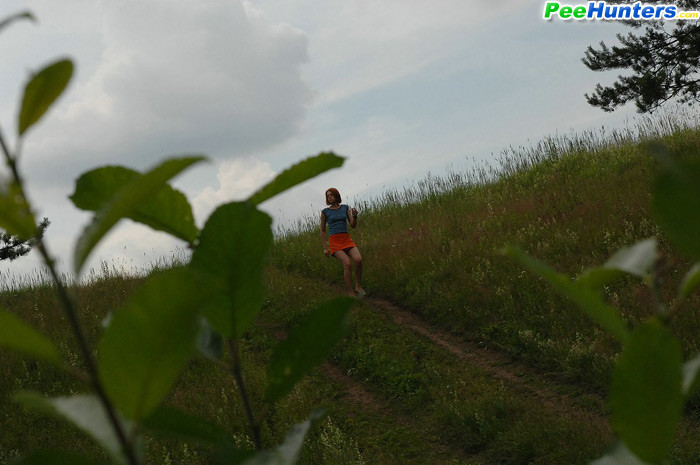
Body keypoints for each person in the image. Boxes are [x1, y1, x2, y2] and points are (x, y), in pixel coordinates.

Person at [320, 187, 365, 298]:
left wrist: (355, 216)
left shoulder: (345, 208)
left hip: (346, 239)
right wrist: (325, 247)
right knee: (347, 264)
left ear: (336, 195)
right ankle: (350, 293)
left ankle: (358, 286)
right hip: (334, 241)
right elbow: (322, 230)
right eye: (327, 196)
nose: (329, 197)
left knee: (358, 260)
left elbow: (353, 225)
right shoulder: (325, 212)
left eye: (331, 195)